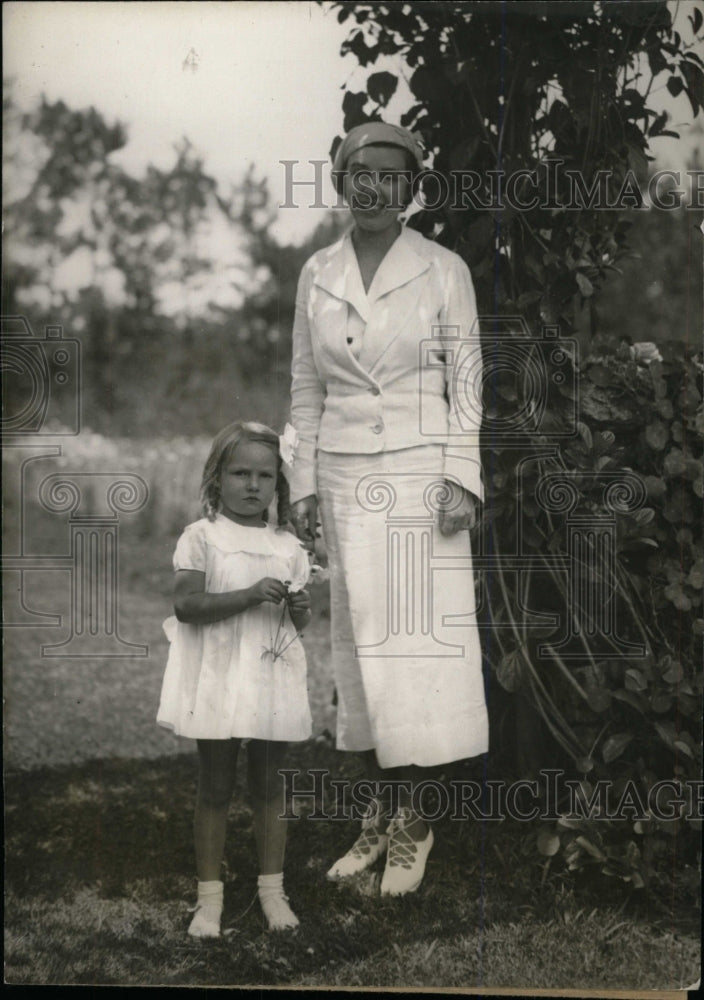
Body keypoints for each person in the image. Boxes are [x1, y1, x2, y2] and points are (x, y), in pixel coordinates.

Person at [288, 122, 489, 897]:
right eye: (359, 172)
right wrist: (302, 482)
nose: (372, 186)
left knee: (415, 658)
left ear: (412, 189)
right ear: (341, 181)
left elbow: (467, 384)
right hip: (341, 476)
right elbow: (306, 387)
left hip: (419, 476)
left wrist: (462, 478)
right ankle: (374, 820)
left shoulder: (443, 270)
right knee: (360, 657)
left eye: (390, 175)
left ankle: (415, 827)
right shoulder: (317, 272)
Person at [157, 421, 312, 936]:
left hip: (269, 674)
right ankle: (210, 899)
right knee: (217, 785)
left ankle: (272, 891)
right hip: (220, 674)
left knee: (270, 786)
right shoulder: (202, 538)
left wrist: (301, 608)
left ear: (277, 484)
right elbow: (186, 605)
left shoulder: (287, 546)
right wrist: (248, 595)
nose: (253, 485)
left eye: (265, 476)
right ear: (216, 478)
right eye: (240, 472)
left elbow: (298, 624)